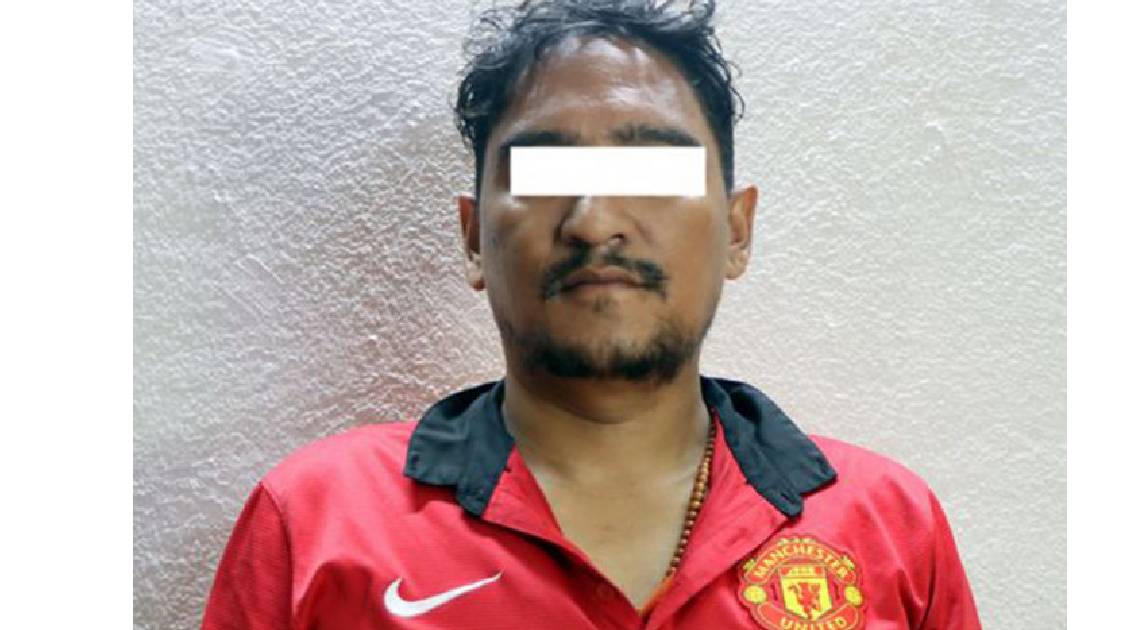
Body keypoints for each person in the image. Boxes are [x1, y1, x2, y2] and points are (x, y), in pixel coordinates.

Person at [201, 1, 983, 628]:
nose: (595, 219)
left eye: (654, 169)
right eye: (543, 172)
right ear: (473, 238)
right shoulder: (317, 521)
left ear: (737, 230)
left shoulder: (887, 527)